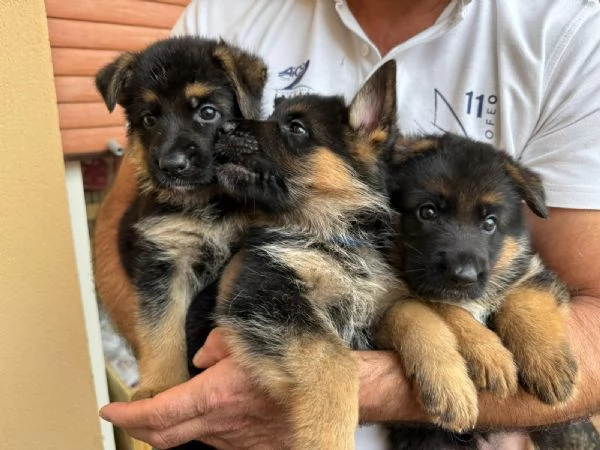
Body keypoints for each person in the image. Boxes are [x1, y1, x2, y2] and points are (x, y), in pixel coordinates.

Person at [97, 0, 600, 448]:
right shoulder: (223, 14)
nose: (230, 135)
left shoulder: (569, 30)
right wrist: (180, 387)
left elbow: (580, 309)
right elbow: (130, 229)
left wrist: (382, 382)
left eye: (290, 131)